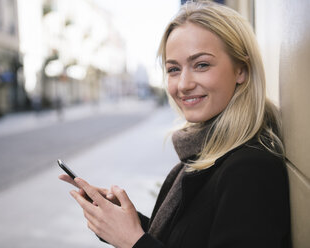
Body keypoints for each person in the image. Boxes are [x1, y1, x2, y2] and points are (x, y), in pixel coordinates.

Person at [59, 1, 291, 247]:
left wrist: (133, 241)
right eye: (173, 69)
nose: (183, 84)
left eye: (201, 65)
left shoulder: (251, 169)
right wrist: (124, 222)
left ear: (241, 70)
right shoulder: (208, 149)